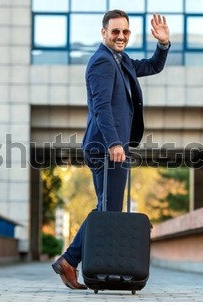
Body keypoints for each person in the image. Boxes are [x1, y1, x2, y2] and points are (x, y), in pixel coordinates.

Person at [52, 9, 170, 290]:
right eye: (115, 31)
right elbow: (101, 106)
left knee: (106, 207)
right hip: (106, 147)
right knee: (108, 208)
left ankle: (70, 260)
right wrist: (115, 143)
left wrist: (163, 44)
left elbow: (152, 66)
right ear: (104, 33)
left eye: (125, 32)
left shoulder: (121, 60)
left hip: (109, 146)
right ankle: (70, 259)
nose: (120, 36)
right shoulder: (102, 63)